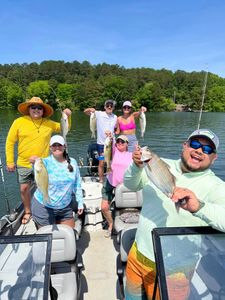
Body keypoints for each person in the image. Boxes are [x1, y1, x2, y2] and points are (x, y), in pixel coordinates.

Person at [123, 128, 225, 300]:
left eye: (207, 149)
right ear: (184, 146)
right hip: (137, 255)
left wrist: (199, 207)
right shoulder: (159, 163)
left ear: (214, 158)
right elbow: (131, 184)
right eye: (194, 144)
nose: (199, 151)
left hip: (175, 271)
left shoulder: (216, 186)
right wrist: (136, 166)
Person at [5, 96, 72, 224]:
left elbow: (64, 128)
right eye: (33, 107)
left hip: (43, 163)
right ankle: (28, 211)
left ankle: (47, 208)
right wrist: (9, 161)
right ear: (29, 109)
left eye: (39, 108)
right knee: (24, 189)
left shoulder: (48, 123)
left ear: (43, 110)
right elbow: (9, 142)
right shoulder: (19, 122)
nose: (36, 110)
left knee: (45, 187)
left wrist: (68, 116)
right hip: (23, 163)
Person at [31, 135, 83, 228]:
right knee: (48, 239)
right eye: (54, 145)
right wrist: (35, 160)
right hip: (43, 207)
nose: (57, 147)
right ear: (50, 148)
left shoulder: (73, 162)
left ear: (64, 146)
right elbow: (35, 165)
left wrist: (80, 202)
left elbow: (77, 184)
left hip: (65, 207)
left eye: (59, 145)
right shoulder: (44, 162)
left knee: (68, 235)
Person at [101, 135, 133, 238]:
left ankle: (126, 227)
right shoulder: (113, 151)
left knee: (126, 209)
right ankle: (111, 224)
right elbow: (109, 143)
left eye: (122, 142)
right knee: (104, 207)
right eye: (118, 141)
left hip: (124, 186)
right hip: (110, 182)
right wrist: (110, 136)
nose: (119, 143)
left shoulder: (131, 155)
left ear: (127, 144)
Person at [84, 99, 117, 183]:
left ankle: (113, 179)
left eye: (111, 106)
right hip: (101, 144)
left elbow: (116, 129)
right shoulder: (99, 114)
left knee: (112, 163)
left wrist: (112, 134)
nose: (109, 107)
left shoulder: (115, 117)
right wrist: (90, 109)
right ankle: (101, 180)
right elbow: (85, 112)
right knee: (101, 163)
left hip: (111, 143)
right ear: (105, 107)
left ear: (113, 107)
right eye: (107, 106)